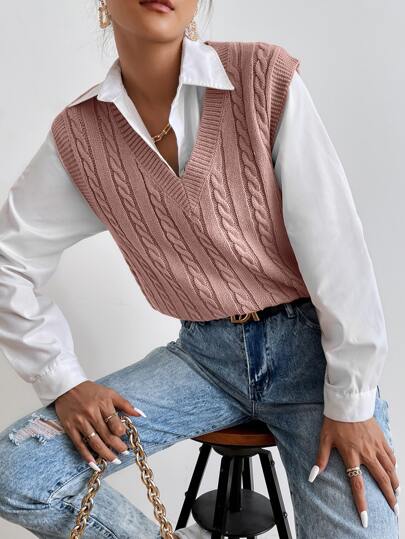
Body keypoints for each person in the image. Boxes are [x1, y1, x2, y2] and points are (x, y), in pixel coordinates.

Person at [0, 0, 400, 537]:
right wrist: (63, 381)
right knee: (18, 474)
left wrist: (352, 401)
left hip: (313, 360)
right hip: (203, 361)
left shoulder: (260, 78)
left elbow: (336, 247)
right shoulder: (81, 135)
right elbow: (8, 259)